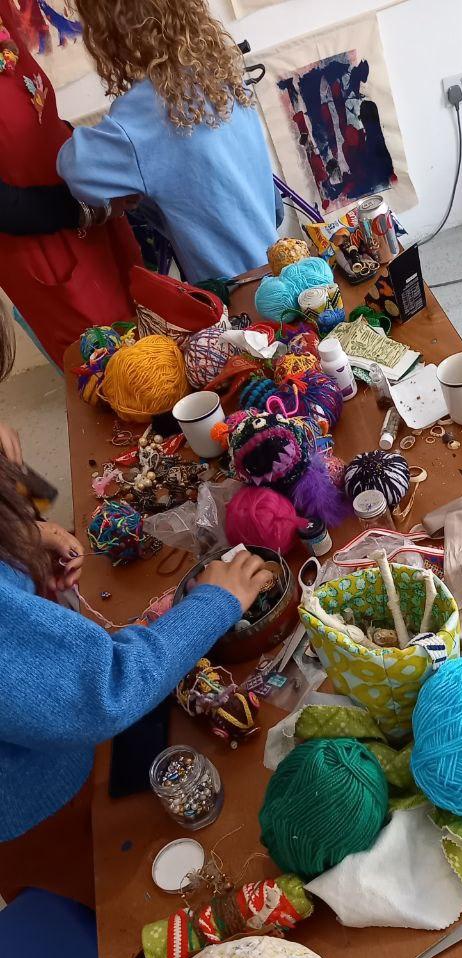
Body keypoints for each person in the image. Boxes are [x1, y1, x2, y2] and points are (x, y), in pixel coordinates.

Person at [0, 302, 271, 902]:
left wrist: (20, 541)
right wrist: (213, 602)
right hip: (38, 802)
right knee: (113, 904)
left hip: (48, 732)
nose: (7, 436)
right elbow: (102, 688)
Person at [57, 0, 279, 284]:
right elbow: (274, 206)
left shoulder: (143, 113)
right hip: (279, 264)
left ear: (109, 30)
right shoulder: (217, 74)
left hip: (238, 297)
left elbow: (76, 168)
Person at [0, 0, 139, 369]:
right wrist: (84, 207)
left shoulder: (5, 31)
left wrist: (102, 166)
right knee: (115, 375)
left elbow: (36, 119)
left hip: (92, 223)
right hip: (45, 249)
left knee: (152, 340)